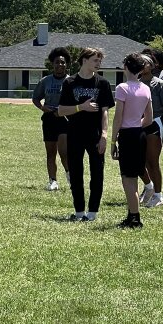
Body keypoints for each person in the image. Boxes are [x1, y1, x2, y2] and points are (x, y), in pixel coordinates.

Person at [57, 47, 114, 221]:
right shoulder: (70, 83)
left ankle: (92, 213)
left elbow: (105, 112)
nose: (98, 64)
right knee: (76, 173)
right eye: (95, 60)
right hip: (74, 133)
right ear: (85, 60)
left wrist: (104, 135)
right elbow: (60, 111)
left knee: (97, 172)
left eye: (99, 61)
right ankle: (79, 211)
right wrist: (80, 107)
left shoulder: (102, 83)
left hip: (95, 134)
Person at [110, 53, 153, 229]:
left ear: (126, 67)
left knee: (128, 178)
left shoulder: (122, 88)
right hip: (140, 134)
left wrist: (113, 141)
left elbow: (118, 116)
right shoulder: (146, 88)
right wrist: (137, 124)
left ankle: (135, 217)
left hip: (127, 135)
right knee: (134, 174)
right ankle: (131, 214)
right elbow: (149, 118)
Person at [32, 46, 71, 190]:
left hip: (65, 120)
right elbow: (36, 98)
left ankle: (69, 175)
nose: (60, 65)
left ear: (67, 64)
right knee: (50, 152)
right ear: (52, 64)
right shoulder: (45, 81)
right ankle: (52, 181)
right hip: (49, 119)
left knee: (64, 151)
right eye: (57, 62)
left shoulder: (71, 81)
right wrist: (43, 108)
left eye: (63, 62)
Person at [138, 55, 163, 208]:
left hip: (155, 123)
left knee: (153, 161)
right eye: (141, 63)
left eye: (146, 63)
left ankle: (158, 195)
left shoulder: (159, 84)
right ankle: (148, 187)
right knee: (141, 160)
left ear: (152, 66)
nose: (143, 66)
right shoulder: (136, 83)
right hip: (138, 122)